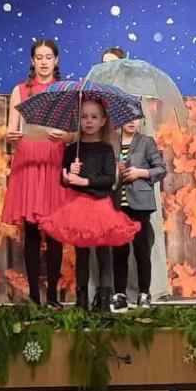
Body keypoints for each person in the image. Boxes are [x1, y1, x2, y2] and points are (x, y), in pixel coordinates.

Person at [40, 99, 140, 311]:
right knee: (82, 254)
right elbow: (64, 179)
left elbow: (108, 180)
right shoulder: (72, 150)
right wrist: (68, 176)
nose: (89, 121)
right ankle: (82, 300)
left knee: (104, 253)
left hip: (101, 206)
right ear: (79, 119)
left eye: (94, 117)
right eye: (84, 117)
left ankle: (104, 299)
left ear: (103, 121)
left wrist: (84, 181)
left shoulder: (105, 149)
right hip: (78, 206)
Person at [2, 39, 73, 307]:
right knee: (31, 232)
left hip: (54, 160)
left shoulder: (64, 90)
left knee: (54, 230)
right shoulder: (20, 90)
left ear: (56, 60)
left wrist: (65, 136)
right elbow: (11, 131)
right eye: (39, 57)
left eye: (48, 57)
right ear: (33, 61)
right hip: (28, 161)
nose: (44, 62)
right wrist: (12, 135)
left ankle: (52, 296)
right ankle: (34, 296)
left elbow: (74, 133)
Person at [111, 118, 166, 311]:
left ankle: (144, 294)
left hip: (141, 206)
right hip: (118, 206)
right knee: (119, 253)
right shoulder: (113, 143)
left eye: (135, 117)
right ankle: (120, 295)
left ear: (141, 120)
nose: (131, 122)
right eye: (127, 117)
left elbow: (161, 169)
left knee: (142, 251)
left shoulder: (146, 142)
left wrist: (140, 173)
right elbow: (106, 173)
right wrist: (116, 173)